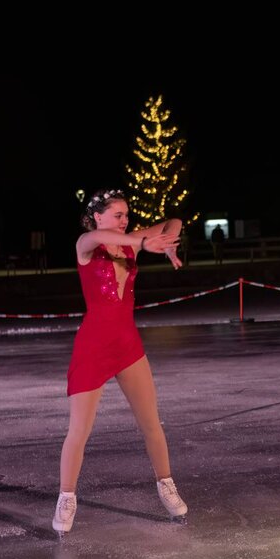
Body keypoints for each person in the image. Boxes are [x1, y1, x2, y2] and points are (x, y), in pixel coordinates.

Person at [52, 189, 189, 539]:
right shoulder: (87, 243)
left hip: (127, 345)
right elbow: (100, 237)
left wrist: (170, 240)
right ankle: (66, 497)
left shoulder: (131, 240)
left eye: (126, 214)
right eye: (117, 214)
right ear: (98, 217)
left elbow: (174, 221)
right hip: (93, 348)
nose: (124, 219)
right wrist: (143, 243)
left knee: (151, 423)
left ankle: (165, 484)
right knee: (79, 431)